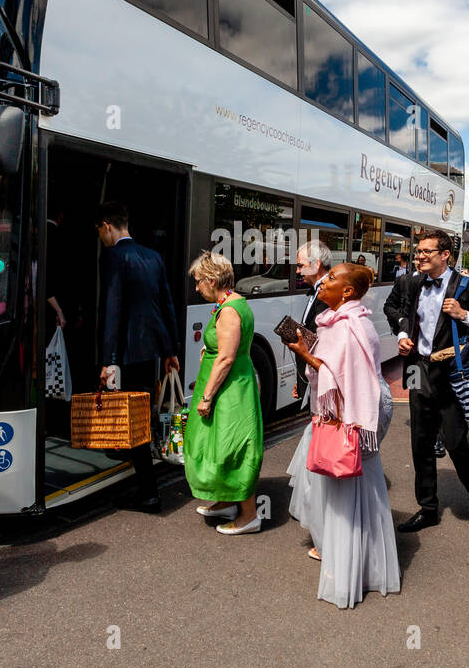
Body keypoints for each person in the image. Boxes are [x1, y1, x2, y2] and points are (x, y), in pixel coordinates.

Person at [284, 263, 399, 607]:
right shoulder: (334, 321)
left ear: (348, 292)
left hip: (353, 416)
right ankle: (353, 562)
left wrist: (304, 353)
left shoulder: (352, 325)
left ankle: (349, 570)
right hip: (343, 411)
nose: (323, 281)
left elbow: (347, 376)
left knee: (348, 490)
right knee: (348, 490)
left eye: (332, 278)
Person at [383, 229, 469, 532]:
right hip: (417, 368)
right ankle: (428, 507)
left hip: (451, 372)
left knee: (455, 441)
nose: (419, 256)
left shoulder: (468, 286)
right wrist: (403, 333)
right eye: (417, 251)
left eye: (426, 251)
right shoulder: (409, 281)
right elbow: (391, 307)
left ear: (445, 255)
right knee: (420, 441)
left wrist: (464, 315)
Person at [96, 202, 180, 513]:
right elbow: (167, 305)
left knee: (133, 423)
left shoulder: (114, 256)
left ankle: (148, 494)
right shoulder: (153, 256)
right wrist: (170, 350)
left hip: (129, 351)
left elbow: (112, 308)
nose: (102, 238)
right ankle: (147, 489)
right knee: (142, 419)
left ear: (106, 226)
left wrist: (107, 359)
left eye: (100, 232)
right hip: (153, 349)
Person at [184, 251, 265, 533]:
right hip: (228, 386)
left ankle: (249, 516)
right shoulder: (230, 302)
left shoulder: (229, 309)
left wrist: (206, 397)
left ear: (211, 279)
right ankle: (225, 500)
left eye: (198, 282)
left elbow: (227, 358)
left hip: (230, 390)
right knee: (220, 444)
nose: (196, 288)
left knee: (233, 447)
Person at [292, 240, 331, 404]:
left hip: (323, 385)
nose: (297, 270)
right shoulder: (316, 290)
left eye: (301, 265)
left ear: (316, 264)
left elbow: (324, 341)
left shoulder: (330, 292)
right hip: (312, 378)